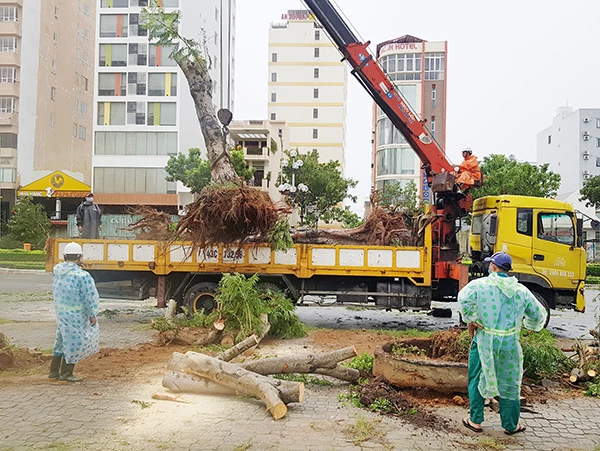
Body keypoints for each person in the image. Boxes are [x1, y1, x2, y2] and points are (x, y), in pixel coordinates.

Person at [458, 252, 547, 435]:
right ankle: (510, 425)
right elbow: (538, 314)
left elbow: (463, 298)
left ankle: (475, 421)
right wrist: (529, 324)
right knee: (510, 382)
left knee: (476, 377)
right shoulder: (521, 291)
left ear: (493, 267)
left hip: (483, 340)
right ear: (508, 270)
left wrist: (471, 319)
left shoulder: (479, 285)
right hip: (509, 344)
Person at [48, 242, 100, 382]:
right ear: (79, 257)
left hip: (61, 313)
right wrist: (92, 314)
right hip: (76, 315)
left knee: (60, 340)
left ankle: (53, 372)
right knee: (72, 343)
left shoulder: (58, 271)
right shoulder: (82, 276)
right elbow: (89, 297)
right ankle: (66, 374)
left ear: (64, 256)